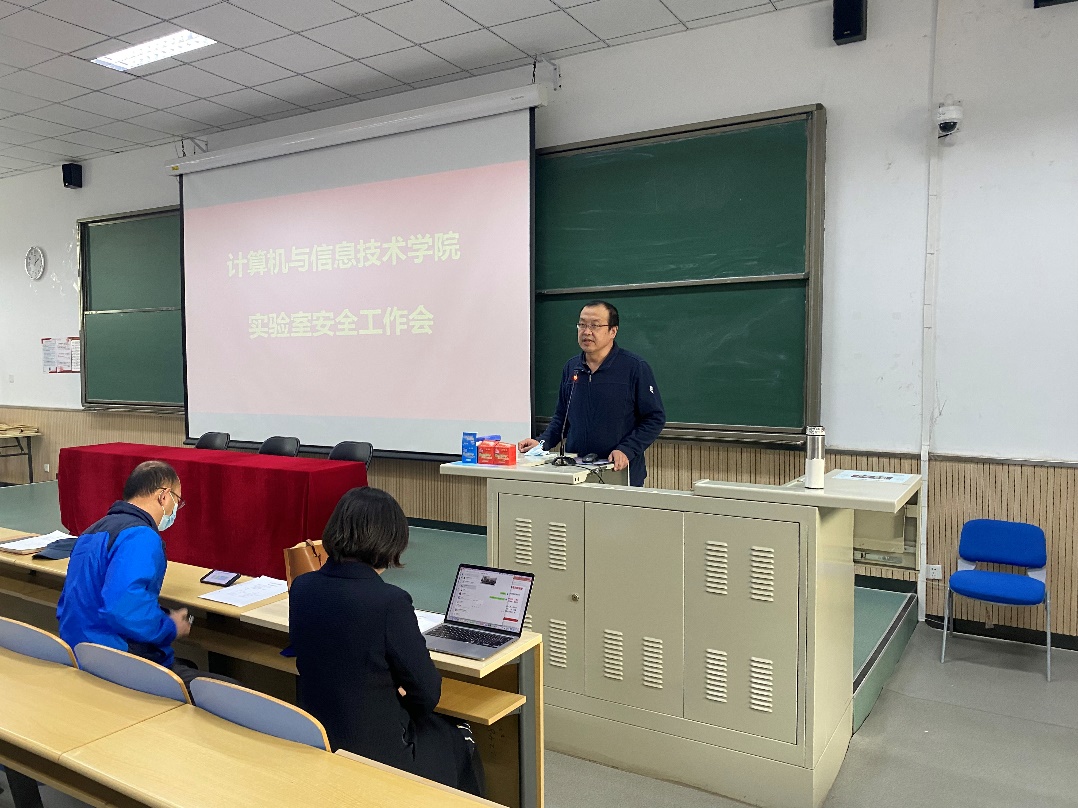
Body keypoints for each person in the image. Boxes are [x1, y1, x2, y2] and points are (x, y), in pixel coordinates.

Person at [289, 487, 483, 796]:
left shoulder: (302, 587)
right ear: (391, 541)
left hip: (319, 735)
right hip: (380, 752)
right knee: (460, 737)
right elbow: (427, 693)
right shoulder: (389, 601)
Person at [56, 460, 230, 689]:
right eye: (177, 500)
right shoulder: (141, 536)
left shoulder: (91, 531)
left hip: (80, 654)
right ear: (164, 496)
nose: (176, 509)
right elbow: (123, 607)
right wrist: (171, 627)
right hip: (118, 664)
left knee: (187, 666)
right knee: (231, 690)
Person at [518, 300, 666, 486]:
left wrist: (627, 449)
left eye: (595, 325)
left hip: (618, 470)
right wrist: (541, 443)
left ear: (613, 331)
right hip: (575, 470)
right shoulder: (572, 367)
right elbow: (562, 417)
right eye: (582, 325)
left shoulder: (634, 367)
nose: (586, 332)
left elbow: (654, 418)